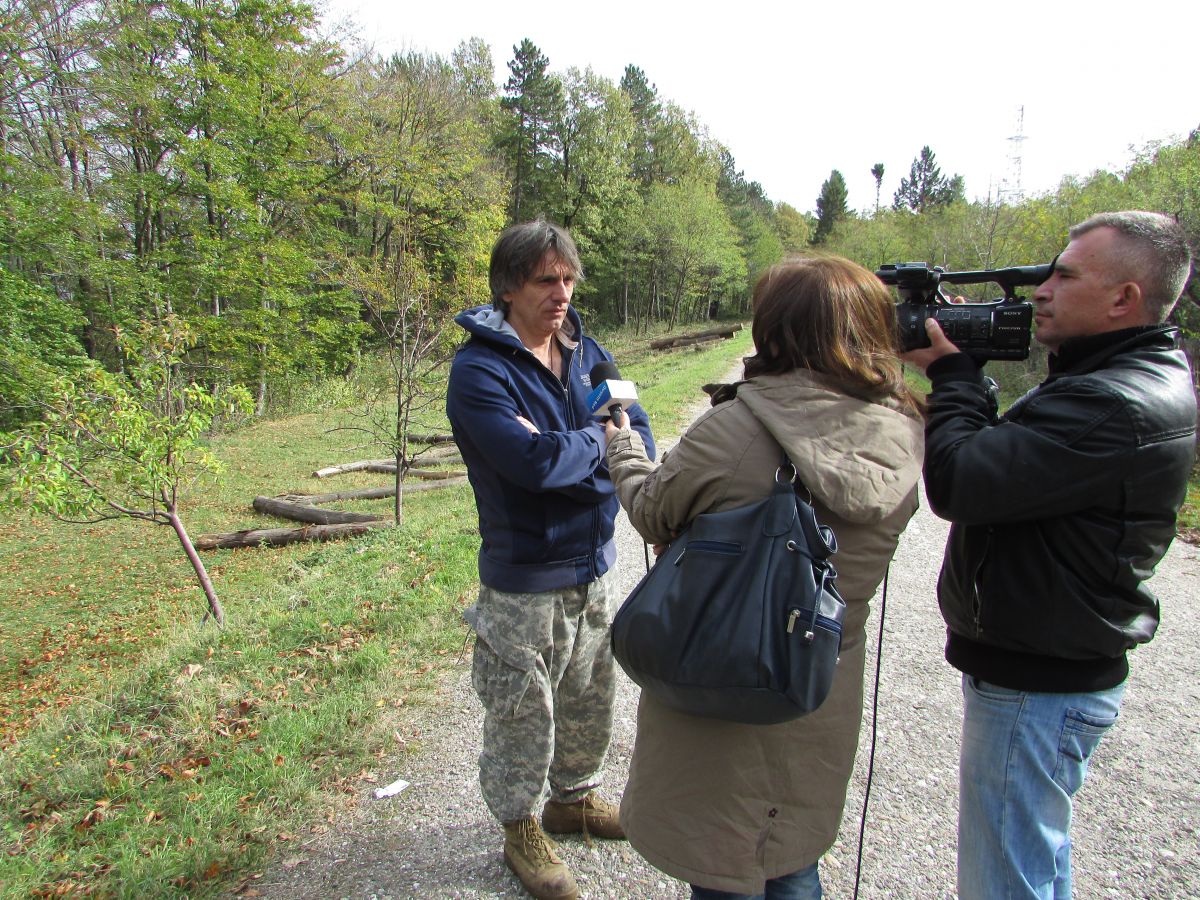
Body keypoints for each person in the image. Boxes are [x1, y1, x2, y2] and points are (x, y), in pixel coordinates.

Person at [604, 256, 926, 898]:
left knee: (723, 858)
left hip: (724, 662)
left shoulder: (735, 431)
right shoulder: (905, 427)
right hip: (819, 671)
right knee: (789, 849)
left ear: (775, 331)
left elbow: (651, 509)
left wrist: (623, 447)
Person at [901, 210, 1197, 899]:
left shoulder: (1113, 401)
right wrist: (968, 377)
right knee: (1035, 861)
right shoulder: (1120, 376)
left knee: (1005, 881)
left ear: (1124, 297)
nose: (1040, 291)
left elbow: (964, 480)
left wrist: (953, 375)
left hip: (1039, 681)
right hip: (1052, 668)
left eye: (1063, 277)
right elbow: (1017, 465)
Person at [446, 219, 655, 900]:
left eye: (568, 278)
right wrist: (598, 446)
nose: (562, 292)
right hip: (523, 577)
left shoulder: (590, 353)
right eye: (546, 280)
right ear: (509, 287)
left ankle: (574, 800)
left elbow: (639, 434)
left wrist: (580, 448)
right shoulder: (479, 370)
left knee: (591, 690)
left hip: (592, 560)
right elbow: (530, 465)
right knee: (519, 708)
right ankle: (520, 827)